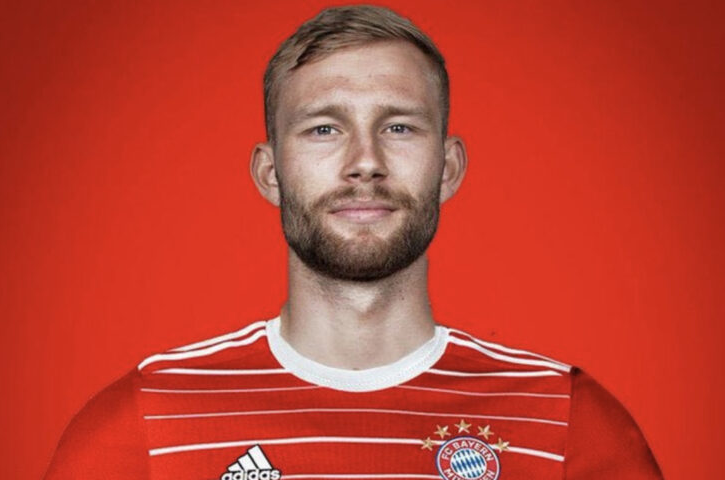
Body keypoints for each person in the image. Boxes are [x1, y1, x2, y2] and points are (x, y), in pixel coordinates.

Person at [43, 5, 663, 480]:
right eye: (324, 128)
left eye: (398, 127)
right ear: (270, 173)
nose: (365, 161)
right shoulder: (145, 427)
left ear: (448, 168)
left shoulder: (567, 424)